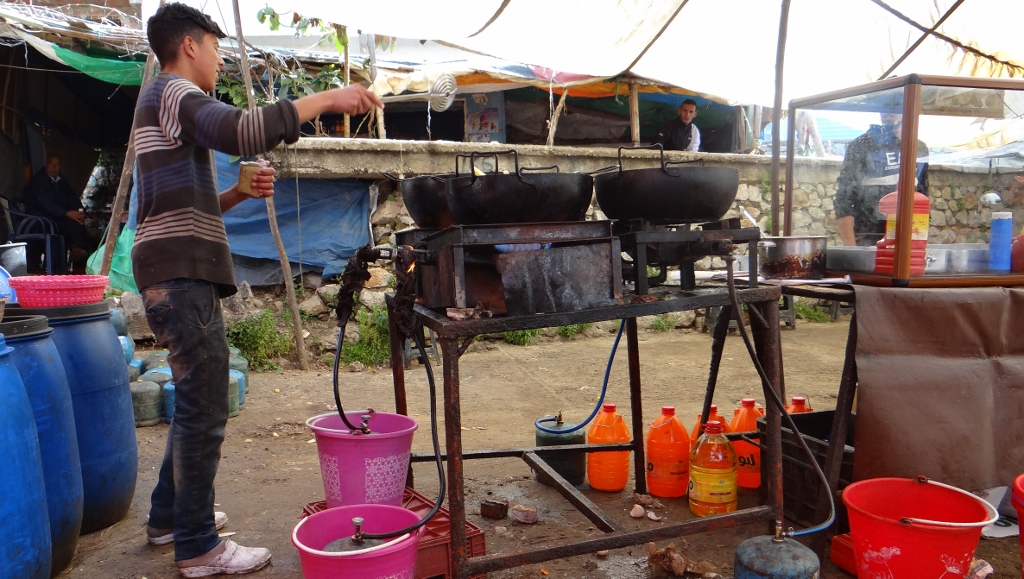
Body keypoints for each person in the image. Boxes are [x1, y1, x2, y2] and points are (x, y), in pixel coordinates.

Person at [133, 4, 382, 577]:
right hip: (179, 274)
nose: (220, 61)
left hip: (172, 265)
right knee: (203, 404)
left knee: (197, 398)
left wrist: (238, 194)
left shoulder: (162, 107)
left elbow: (179, 210)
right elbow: (241, 128)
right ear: (190, 45)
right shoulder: (170, 90)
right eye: (217, 50)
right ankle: (197, 547)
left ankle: (169, 519)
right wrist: (327, 99)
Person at [834, 112, 929, 246]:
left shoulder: (918, 148)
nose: (888, 112)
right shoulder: (861, 145)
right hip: (868, 237)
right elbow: (844, 197)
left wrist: (919, 243)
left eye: (895, 107)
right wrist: (851, 247)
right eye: (884, 106)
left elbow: (922, 195)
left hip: (907, 237)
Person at [23, 153, 94, 265]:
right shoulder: (39, 181)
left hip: (54, 216)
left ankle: (79, 251)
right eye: (52, 164)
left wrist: (80, 212)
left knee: (77, 220)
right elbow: (46, 204)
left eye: (57, 165)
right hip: (39, 218)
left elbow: (72, 198)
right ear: (46, 165)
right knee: (67, 223)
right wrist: (67, 213)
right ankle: (76, 248)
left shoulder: (60, 181)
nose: (54, 168)